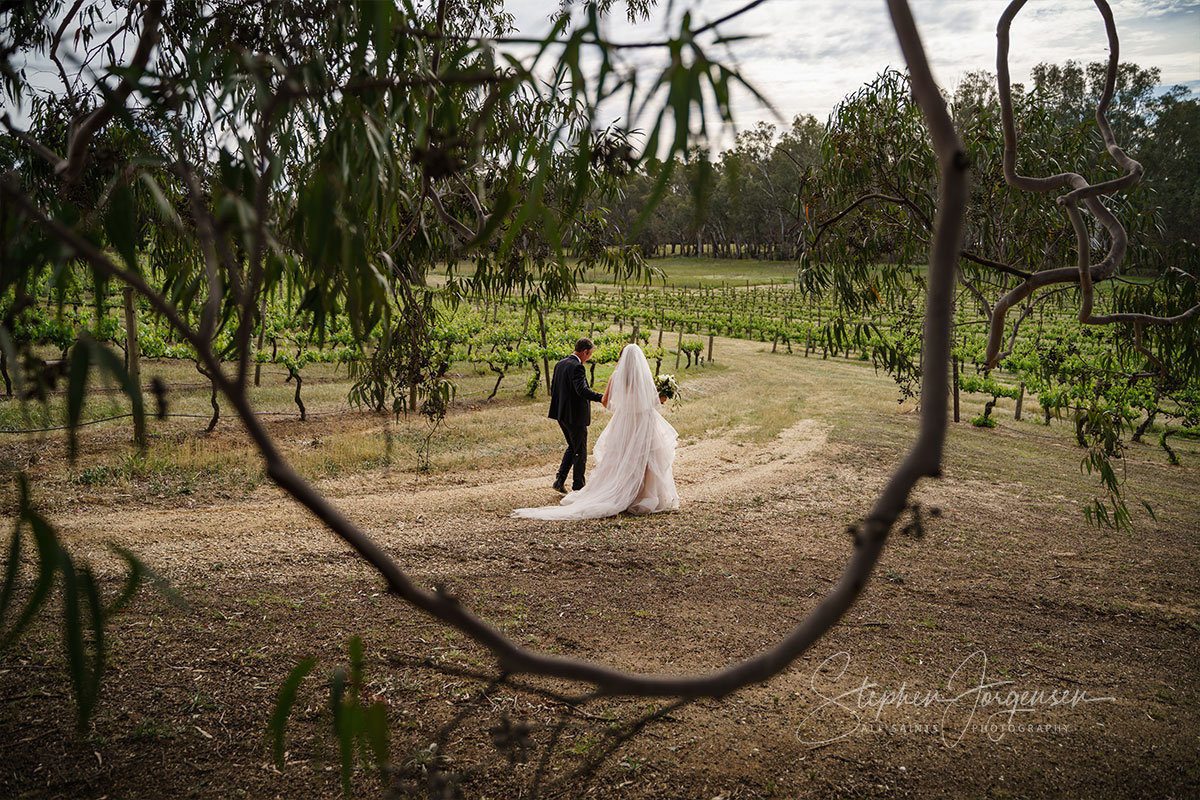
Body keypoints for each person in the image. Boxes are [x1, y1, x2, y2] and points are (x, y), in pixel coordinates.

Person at [514, 343, 678, 520]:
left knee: (620, 458)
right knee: (647, 458)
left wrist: (623, 409)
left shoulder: (616, 376)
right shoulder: (644, 377)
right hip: (644, 423)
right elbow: (653, 403)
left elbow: (606, 402)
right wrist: (661, 398)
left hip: (623, 423)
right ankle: (644, 496)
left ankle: (618, 492)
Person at [547, 337, 604, 493]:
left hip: (561, 414)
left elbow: (554, 389)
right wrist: (601, 398)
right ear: (585, 352)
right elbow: (582, 391)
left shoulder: (560, 364)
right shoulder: (577, 367)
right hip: (575, 416)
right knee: (581, 451)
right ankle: (578, 487)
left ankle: (559, 480)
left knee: (573, 447)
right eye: (590, 354)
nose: (589, 357)